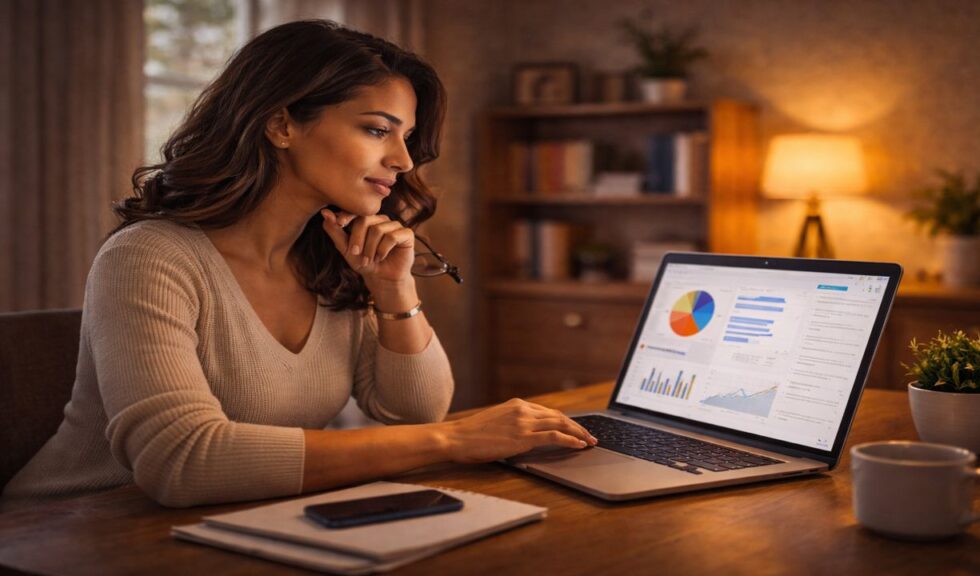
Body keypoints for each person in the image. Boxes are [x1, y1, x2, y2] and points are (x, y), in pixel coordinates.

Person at [2, 20, 595, 508]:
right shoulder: (148, 258)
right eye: (377, 130)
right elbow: (180, 461)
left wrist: (392, 291)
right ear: (281, 123)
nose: (403, 160)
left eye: (408, 138)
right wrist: (449, 441)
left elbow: (411, 409)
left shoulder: (328, 257)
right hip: (74, 533)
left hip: (235, 525)